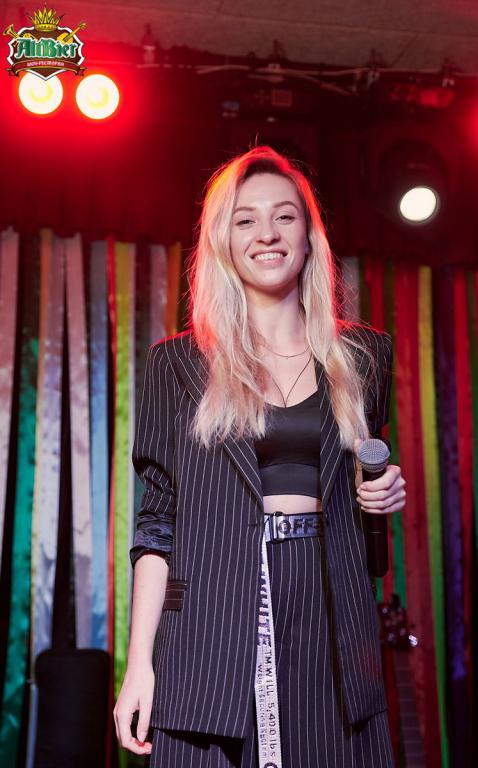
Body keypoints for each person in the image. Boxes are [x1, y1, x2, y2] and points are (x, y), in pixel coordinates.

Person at [113, 145, 406, 767]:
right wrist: (139, 665)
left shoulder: (365, 357)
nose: (267, 234)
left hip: (331, 620)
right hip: (210, 630)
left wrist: (379, 494)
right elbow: (157, 525)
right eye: (245, 220)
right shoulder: (176, 364)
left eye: (284, 216)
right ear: (223, 240)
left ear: (308, 234)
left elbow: (363, 498)